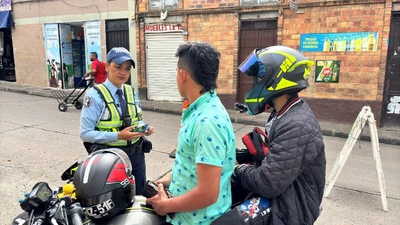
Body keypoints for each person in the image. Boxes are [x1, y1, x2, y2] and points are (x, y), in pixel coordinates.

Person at [217, 46, 326, 225]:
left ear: (274, 78)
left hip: (293, 206)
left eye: (257, 78)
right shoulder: (283, 112)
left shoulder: (295, 124)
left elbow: (268, 183)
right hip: (286, 191)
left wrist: (236, 170)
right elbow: (277, 157)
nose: (254, 83)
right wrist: (235, 156)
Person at [146, 41, 236, 225]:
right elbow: (191, 166)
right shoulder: (200, 110)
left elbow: (208, 193)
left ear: (182, 75)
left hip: (197, 221)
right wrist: (163, 182)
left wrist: (166, 206)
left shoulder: (207, 122)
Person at [80, 47, 154, 195]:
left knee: (138, 196)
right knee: (116, 201)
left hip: (136, 157)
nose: (123, 73)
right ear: (107, 67)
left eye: (127, 69)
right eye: (118, 67)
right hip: (109, 160)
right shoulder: (95, 95)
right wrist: (118, 136)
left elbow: (137, 120)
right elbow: (85, 134)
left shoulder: (130, 91)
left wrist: (143, 129)